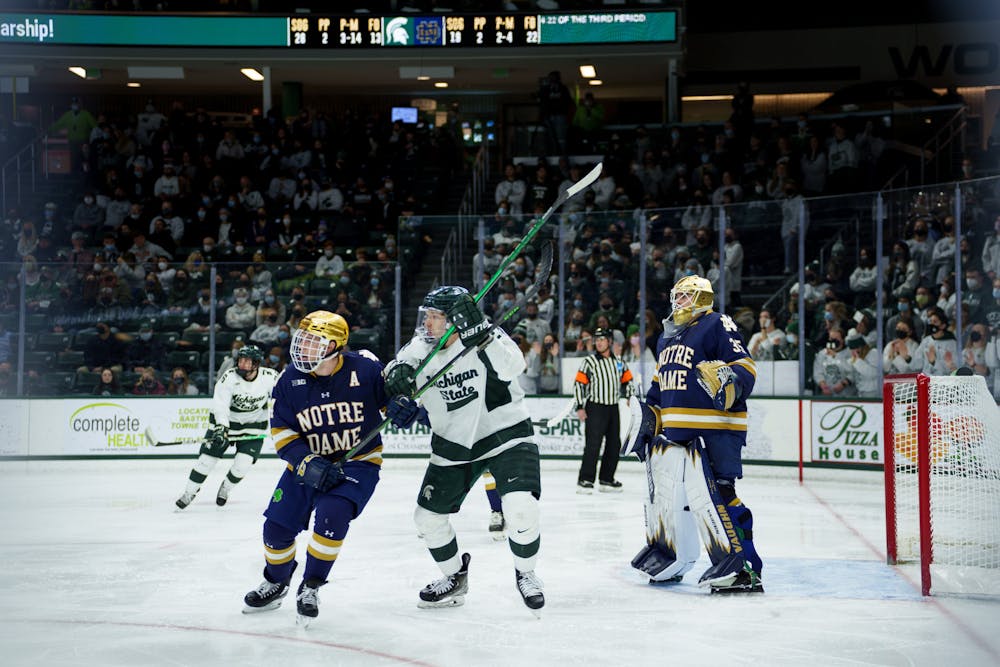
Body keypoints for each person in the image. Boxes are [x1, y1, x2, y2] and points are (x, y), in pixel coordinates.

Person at [383, 285, 544, 614]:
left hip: (505, 434)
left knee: (519, 507)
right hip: (453, 443)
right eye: (426, 316)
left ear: (456, 319)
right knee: (427, 519)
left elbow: (515, 366)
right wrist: (396, 387)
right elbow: (396, 368)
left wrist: (482, 334)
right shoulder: (421, 348)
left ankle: (526, 573)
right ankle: (455, 577)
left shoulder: (487, 337)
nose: (428, 323)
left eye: (436, 317)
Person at [242, 311, 387, 626]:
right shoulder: (289, 381)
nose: (302, 347)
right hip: (309, 462)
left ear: (334, 345)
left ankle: (310, 585)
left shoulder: (365, 370)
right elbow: (282, 433)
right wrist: (306, 462)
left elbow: (396, 405)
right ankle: (277, 581)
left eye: (312, 342)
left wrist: (406, 408)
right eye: (302, 340)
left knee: (332, 515)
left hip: (357, 463)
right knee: (276, 530)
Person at [624, 275, 762, 593]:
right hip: (676, 434)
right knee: (670, 499)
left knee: (718, 496)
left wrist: (733, 381)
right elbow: (660, 385)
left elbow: (745, 365)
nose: (677, 302)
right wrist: (650, 416)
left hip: (715, 429)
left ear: (701, 298)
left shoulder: (716, 323)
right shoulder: (667, 338)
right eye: (676, 296)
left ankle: (744, 567)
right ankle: (668, 557)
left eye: (685, 296)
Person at [176, 346, 280, 511]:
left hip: (253, 426)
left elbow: (281, 399)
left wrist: (281, 423)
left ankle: (226, 487)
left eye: (247, 360)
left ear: (256, 364)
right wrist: (221, 428)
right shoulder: (229, 377)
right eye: (241, 359)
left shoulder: (270, 377)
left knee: (242, 466)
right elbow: (220, 406)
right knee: (206, 462)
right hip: (226, 424)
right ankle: (189, 492)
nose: (242, 363)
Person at [572, 327, 635, 493]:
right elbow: (579, 384)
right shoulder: (589, 362)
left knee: (614, 444)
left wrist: (629, 396)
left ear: (610, 341)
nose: (598, 343)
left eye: (602, 340)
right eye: (597, 340)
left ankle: (607, 479)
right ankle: (585, 480)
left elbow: (628, 380)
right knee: (593, 444)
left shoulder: (619, 362)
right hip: (595, 407)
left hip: (613, 408)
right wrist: (579, 406)